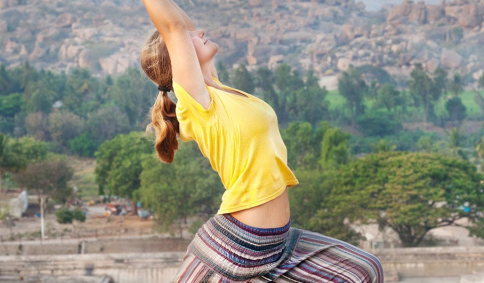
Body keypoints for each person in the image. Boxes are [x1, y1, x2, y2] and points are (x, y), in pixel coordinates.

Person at [138, 1, 383, 282]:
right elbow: (173, 26)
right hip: (243, 243)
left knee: (365, 270)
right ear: (178, 55)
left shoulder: (218, 90)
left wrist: (185, 29)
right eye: (188, 37)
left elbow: (183, 25)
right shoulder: (197, 103)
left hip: (278, 241)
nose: (199, 31)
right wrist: (177, 32)